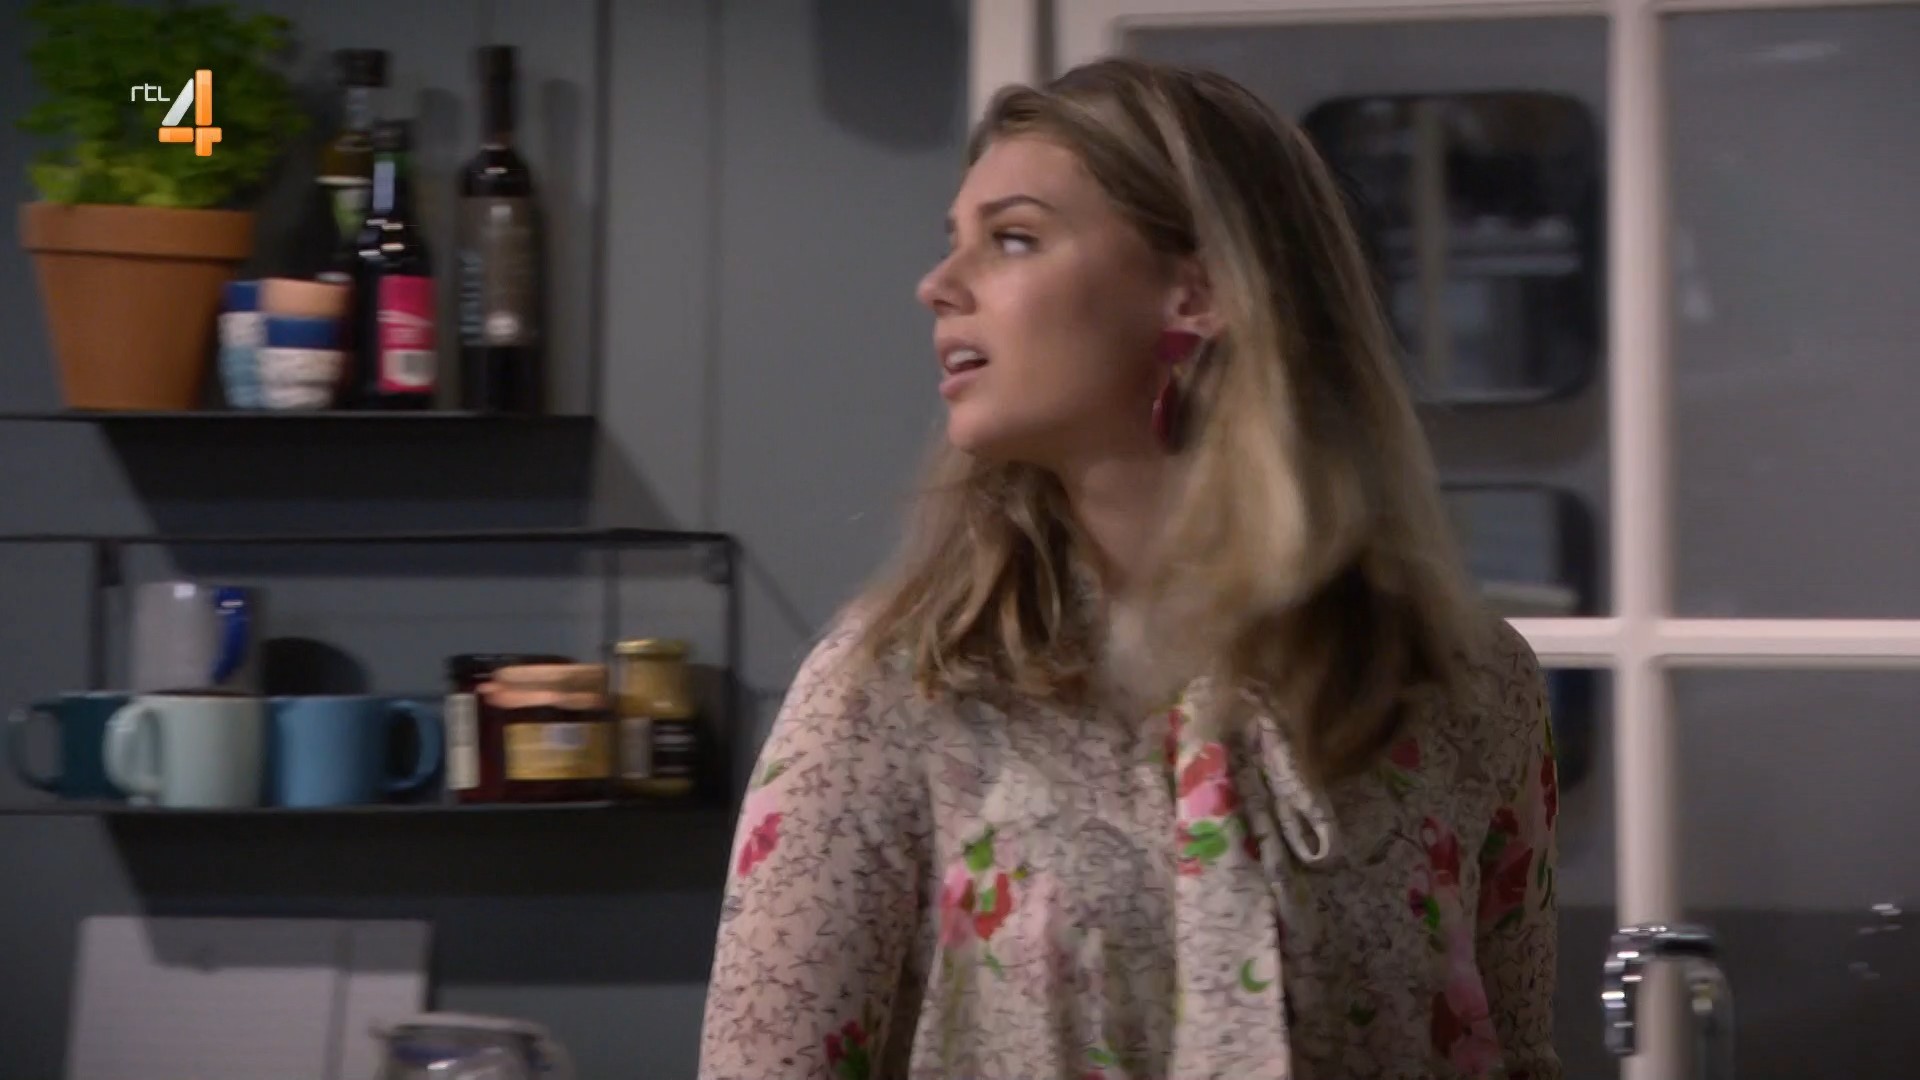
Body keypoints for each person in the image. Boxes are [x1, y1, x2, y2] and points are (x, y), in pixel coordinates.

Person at [698, 57, 1560, 1080]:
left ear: (1198, 291)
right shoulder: (897, 688)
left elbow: (1513, 1057)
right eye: (954, 241)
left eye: (1013, 238)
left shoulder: (1468, 690)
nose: (938, 286)